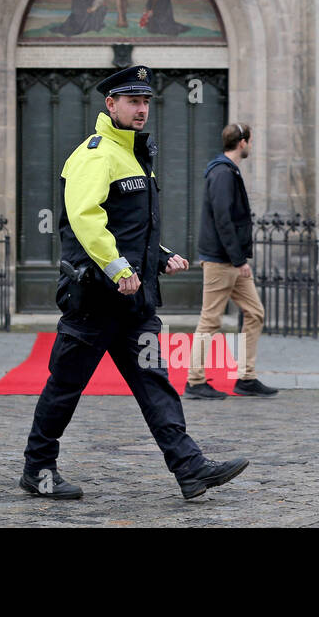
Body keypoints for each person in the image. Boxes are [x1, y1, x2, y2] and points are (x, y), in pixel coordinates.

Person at [20, 65, 248, 500]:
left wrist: (159, 257)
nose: (142, 109)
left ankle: (189, 467)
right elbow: (87, 220)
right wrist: (120, 269)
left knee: (154, 381)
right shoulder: (94, 154)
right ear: (111, 104)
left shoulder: (135, 155)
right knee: (65, 387)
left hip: (133, 303)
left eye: (145, 102)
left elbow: (130, 228)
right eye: (132, 101)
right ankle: (38, 468)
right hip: (93, 300)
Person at [186, 123, 277, 398]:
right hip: (222, 262)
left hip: (230, 261)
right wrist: (239, 260)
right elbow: (223, 219)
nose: (251, 146)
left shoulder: (227, 171)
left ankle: (246, 378)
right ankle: (194, 381)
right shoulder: (223, 173)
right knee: (210, 320)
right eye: (250, 141)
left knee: (255, 312)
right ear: (242, 143)